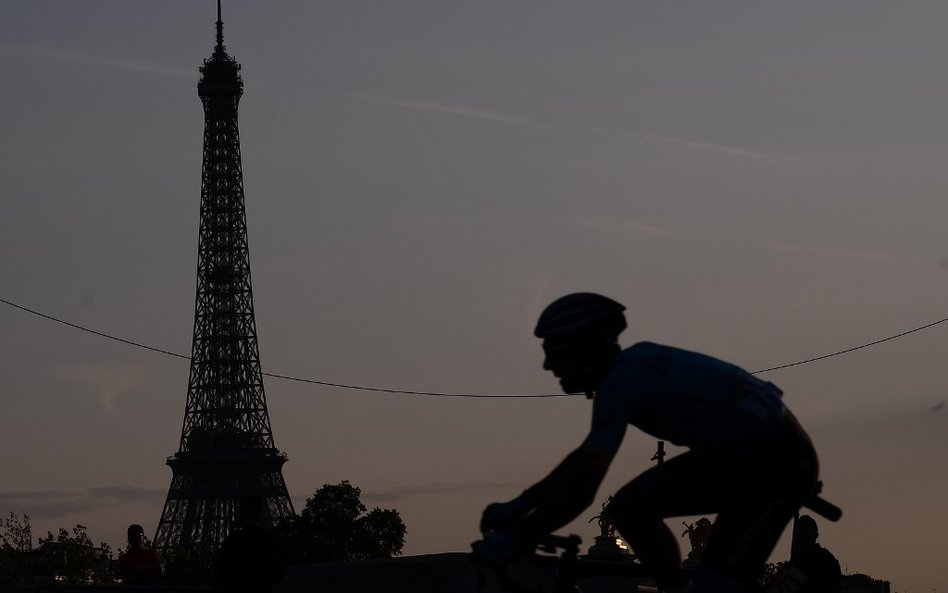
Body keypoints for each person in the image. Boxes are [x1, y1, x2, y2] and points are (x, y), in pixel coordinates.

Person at [473, 293, 821, 593]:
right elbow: (581, 461)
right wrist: (518, 506)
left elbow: (582, 491)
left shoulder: (623, 383)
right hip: (746, 455)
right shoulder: (624, 373)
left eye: (554, 352)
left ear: (586, 350)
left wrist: (517, 536)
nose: (548, 365)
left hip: (777, 465)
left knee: (715, 580)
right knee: (630, 507)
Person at [789, 515, 841, 593]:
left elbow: (837, 584)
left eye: (807, 531)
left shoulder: (826, 558)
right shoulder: (796, 559)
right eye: (802, 532)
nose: (804, 535)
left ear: (816, 535)